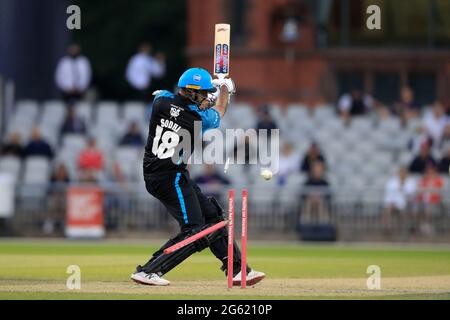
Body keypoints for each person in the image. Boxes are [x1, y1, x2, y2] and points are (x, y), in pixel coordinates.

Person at [131, 67, 265, 286]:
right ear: (192, 92)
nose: (206, 97)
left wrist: (206, 95)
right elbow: (220, 110)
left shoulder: (160, 102)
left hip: (164, 174)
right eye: (202, 93)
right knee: (195, 230)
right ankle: (149, 270)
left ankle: (238, 270)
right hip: (169, 177)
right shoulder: (197, 117)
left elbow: (172, 98)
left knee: (212, 217)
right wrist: (224, 91)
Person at [382, 167, 417, 234]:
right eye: (401, 172)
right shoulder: (392, 181)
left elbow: (411, 193)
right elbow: (389, 193)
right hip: (394, 203)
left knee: (408, 210)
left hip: (406, 203)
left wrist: (402, 187)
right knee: (387, 210)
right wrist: (391, 203)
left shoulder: (411, 182)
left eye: (404, 173)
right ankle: (387, 229)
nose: (403, 174)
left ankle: (409, 228)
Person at [415, 163, 444, 235]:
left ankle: (427, 226)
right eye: (428, 171)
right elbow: (419, 190)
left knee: (429, 208)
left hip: (435, 202)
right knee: (417, 208)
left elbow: (438, 192)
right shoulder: (424, 180)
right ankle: (421, 227)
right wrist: (428, 189)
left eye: (431, 170)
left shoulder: (438, 180)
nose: (429, 172)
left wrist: (428, 189)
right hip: (422, 202)